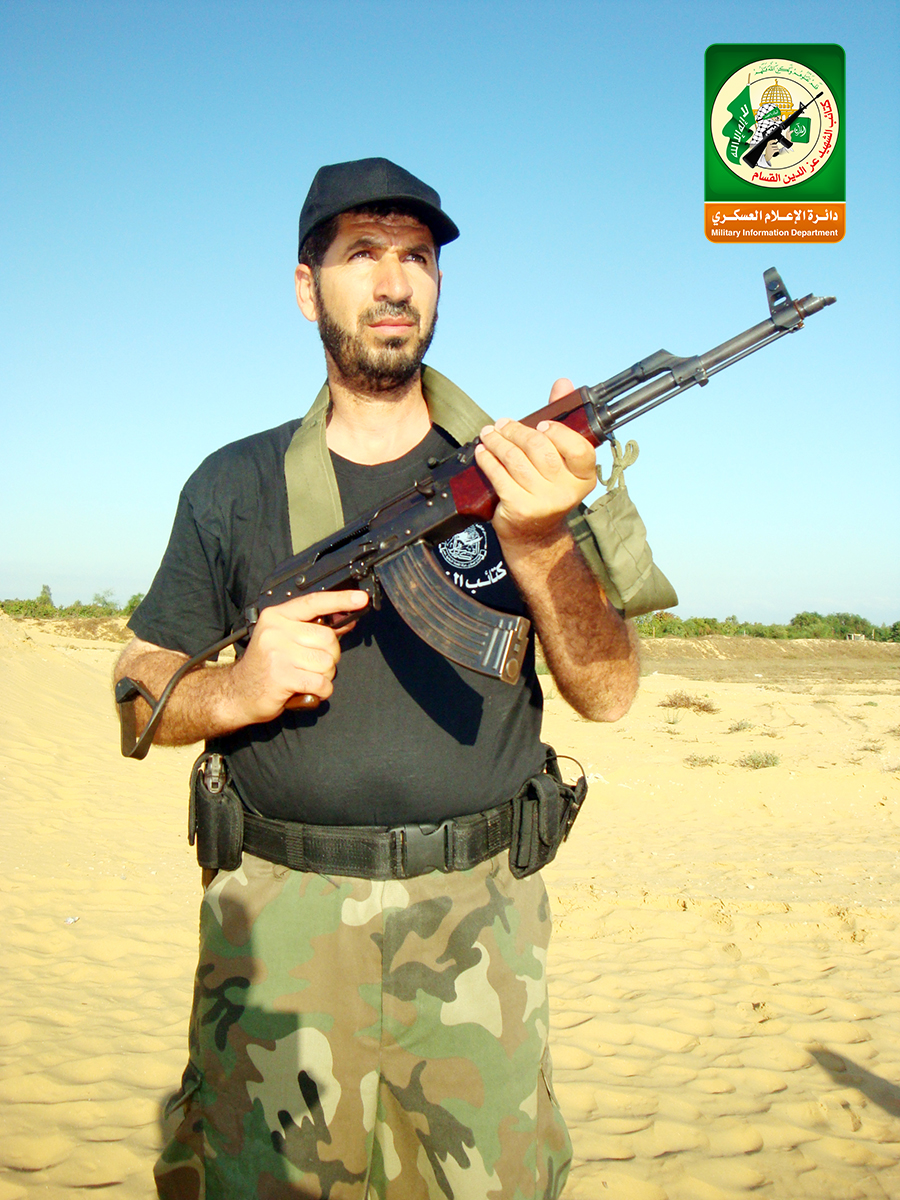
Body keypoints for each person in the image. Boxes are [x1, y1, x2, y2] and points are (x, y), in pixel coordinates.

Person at [116, 157, 640, 1199]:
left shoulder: (522, 474)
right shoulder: (233, 484)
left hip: (479, 927)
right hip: (279, 930)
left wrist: (539, 543)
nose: (395, 282)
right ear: (306, 286)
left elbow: (610, 692)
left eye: (418, 258)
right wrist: (238, 688)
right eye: (362, 254)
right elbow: (138, 693)